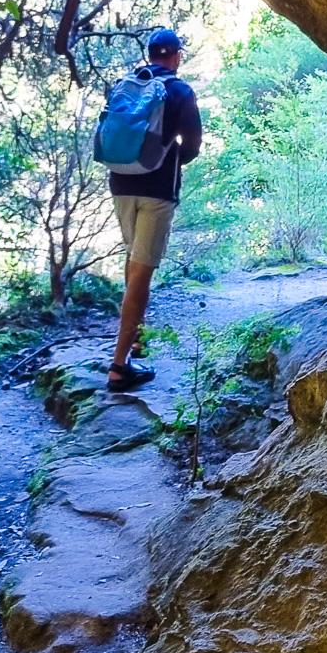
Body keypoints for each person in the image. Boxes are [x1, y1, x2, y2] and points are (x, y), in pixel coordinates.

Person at [107, 27, 202, 391]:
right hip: (157, 190)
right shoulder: (179, 90)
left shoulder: (126, 84)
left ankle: (135, 339)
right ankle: (119, 367)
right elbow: (192, 143)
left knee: (134, 261)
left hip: (120, 183)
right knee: (143, 271)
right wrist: (172, 160)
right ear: (176, 56)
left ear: (150, 54)